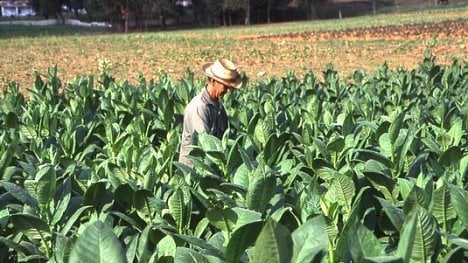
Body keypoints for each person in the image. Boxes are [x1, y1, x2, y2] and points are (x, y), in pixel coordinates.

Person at [178, 58, 242, 167]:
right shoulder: (199, 108)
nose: (228, 91)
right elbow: (205, 145)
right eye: (225, 86)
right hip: (193, 173)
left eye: (229, 87)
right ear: (212, 81)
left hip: (211, 168)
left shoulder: (218, 106)